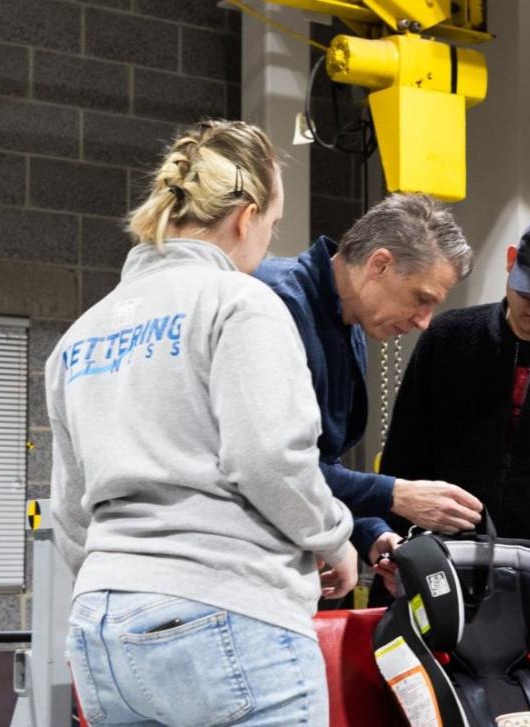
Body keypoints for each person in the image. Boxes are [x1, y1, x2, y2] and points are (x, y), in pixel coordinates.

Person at [48, 120, 356, 726]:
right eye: (269, 229)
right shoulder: (239, 302)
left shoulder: (80, 335)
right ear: (245, 217)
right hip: (228, 610)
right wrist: (334, 539)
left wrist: (133, 580)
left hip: (103, 629)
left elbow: (69, 512)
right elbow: (269, 460)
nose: (265, 246)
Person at [254, 194, 484, 568]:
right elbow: (271, 466)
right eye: (420, 299)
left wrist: (371, 533)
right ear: (380, 264)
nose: (424, 321)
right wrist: (395, 495)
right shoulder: (273, 305)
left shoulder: (350, 321)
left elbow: (322, 462)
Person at [381, 213, 530, 557]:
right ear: (511, 262)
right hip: (444, 545)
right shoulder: (449, 337)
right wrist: (393, 538)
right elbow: (404, 451)